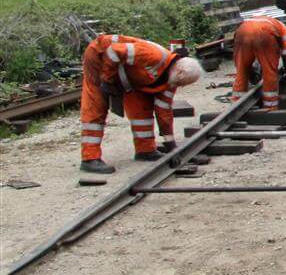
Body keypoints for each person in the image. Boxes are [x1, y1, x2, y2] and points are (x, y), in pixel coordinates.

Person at [78, 34, 204, 174]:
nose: (182, 86)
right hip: (100, 55)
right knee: (96, 105)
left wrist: (171, 147)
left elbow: (164, 113)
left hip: (126, 73)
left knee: (142, 108)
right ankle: (89, 158)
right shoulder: (154, 55)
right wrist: (108, 80)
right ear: (180, 72)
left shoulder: (171, 81)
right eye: (183, 83)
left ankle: (145, 150)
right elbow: (113, 52)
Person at [232, 17, 286, 110]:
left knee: (241, 71)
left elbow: (237, 59)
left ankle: (236, 104)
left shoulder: (263, 22)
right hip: (265, 33)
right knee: (269, 72)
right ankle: (270, 106)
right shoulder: (284, 30)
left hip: (242, 30)